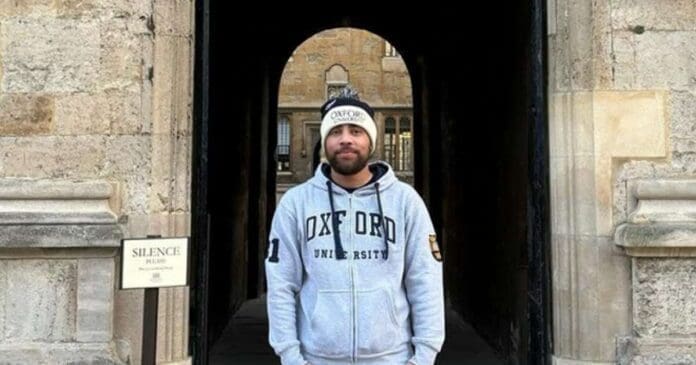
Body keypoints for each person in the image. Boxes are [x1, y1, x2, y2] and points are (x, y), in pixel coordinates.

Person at [265, 88, 445, 365]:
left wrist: (423, 356)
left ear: (370, 140)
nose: (346, 139)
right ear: (324, 140)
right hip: (317, 358)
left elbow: (425, 280)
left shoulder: (405, 201)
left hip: (391, 358)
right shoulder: (296, 204)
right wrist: (290, 357)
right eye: (336, 131)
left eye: (356, 131)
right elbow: (281, 285)